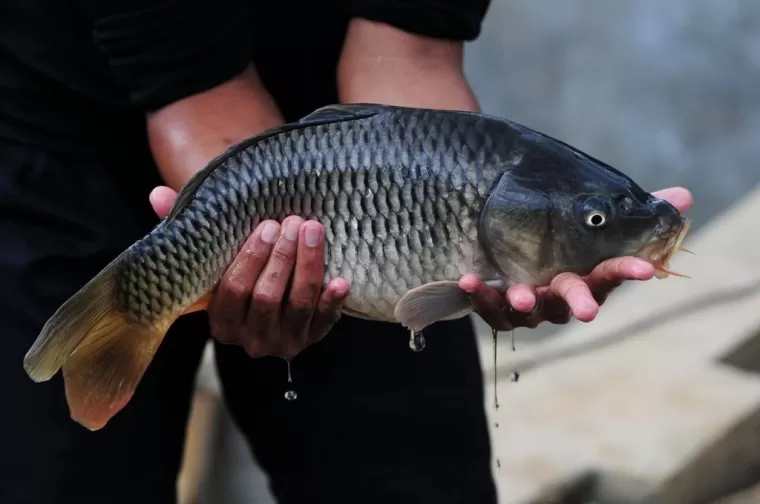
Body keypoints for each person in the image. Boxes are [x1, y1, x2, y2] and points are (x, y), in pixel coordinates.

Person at [0, 1, 693, 503]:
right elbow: (191, 89)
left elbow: (409, 52)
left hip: (377, 169)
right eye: (597, 217)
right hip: (83, 100)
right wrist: (205, 241)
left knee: (416, 481)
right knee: (67, 477)